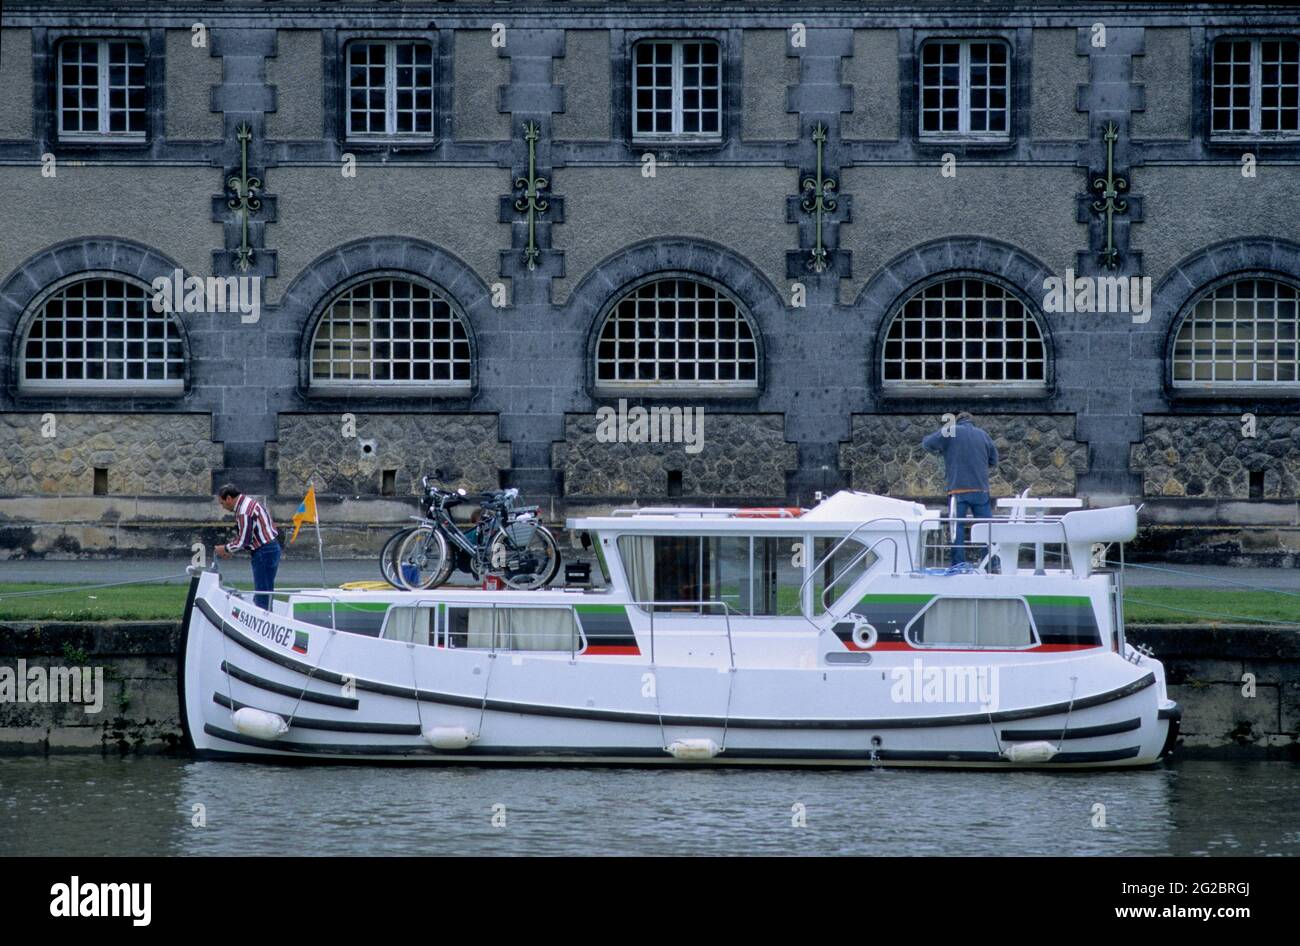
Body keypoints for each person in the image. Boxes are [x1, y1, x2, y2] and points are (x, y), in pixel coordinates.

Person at [921, 412, 999, 567]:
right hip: (980, 490)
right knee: (986, 529)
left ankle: (958, 565)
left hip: (958, 491)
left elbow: (927, 443)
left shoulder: (951, 430)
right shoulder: (983, 435)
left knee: (957, 529)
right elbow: (994, 460)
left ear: (958, 421)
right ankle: (991, 564)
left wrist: (942, 450)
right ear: (972, 421)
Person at [215, 484, 281, 610]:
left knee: (263, 593)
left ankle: (264, 621)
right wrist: (231, 550)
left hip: (263, 552)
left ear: (229, 498)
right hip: (271, 547)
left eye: (222, 503)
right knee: (266, 589)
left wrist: (225, 549)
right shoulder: (248, 502)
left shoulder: (244, 512)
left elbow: (243, 541)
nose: (223, 507)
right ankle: (267, 615)